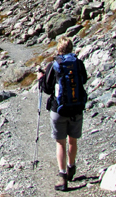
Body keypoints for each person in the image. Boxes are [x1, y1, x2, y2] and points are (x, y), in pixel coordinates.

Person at [38, 37, 88, 191]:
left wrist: (40, 78)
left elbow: (46, 88)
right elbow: (84, 80)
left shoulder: (53, 65)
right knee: (73, 140)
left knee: (61, 142)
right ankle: (71, 167)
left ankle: (62, 176)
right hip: (76, 107)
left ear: (58, 49)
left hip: (58, 109)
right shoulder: (78, 63)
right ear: (71, 48)